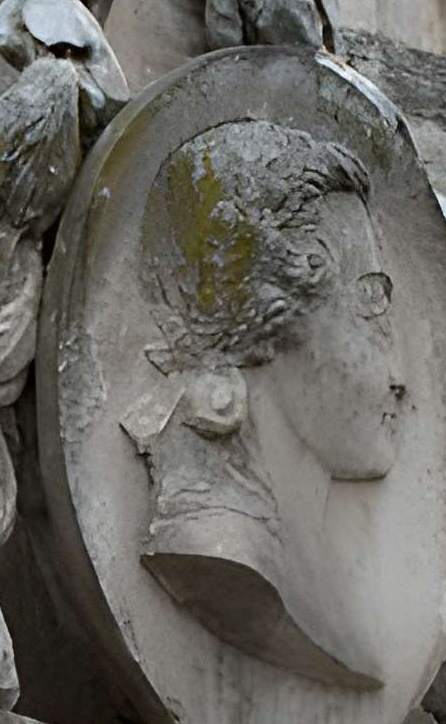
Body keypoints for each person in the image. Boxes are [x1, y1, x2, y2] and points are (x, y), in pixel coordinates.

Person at [117, 117, 404, 689]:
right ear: (272, 315)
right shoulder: (219, 559)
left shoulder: (323, 587)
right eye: (373, 303)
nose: (403, 378)